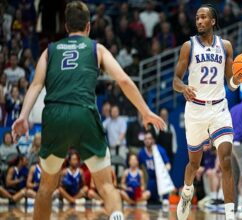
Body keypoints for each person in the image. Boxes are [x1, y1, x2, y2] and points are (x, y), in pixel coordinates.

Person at [11, 2, 165, 220]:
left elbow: (36, 85)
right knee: (106, 186)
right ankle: (117, 216)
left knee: (46, 187)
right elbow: (122, 79)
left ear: (66, 26)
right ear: (88, 27)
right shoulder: (97, 48)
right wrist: (145, 110)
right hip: (84, 113)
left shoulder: (49, 51)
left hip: (55, 115)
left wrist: (23, 115)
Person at [173, 4, 242, 220]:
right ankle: (186, 191)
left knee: (226, 160)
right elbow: (175, 79)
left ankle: (230, 215)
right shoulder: (188, 46)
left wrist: (238, 80)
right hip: (195, 110)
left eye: (203, 17)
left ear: (213, 21)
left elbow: (230, 84)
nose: (199, 21)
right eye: (197, 18)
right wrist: (183, 88)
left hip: (219, 109)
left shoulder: (226, 46)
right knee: (194, 164)